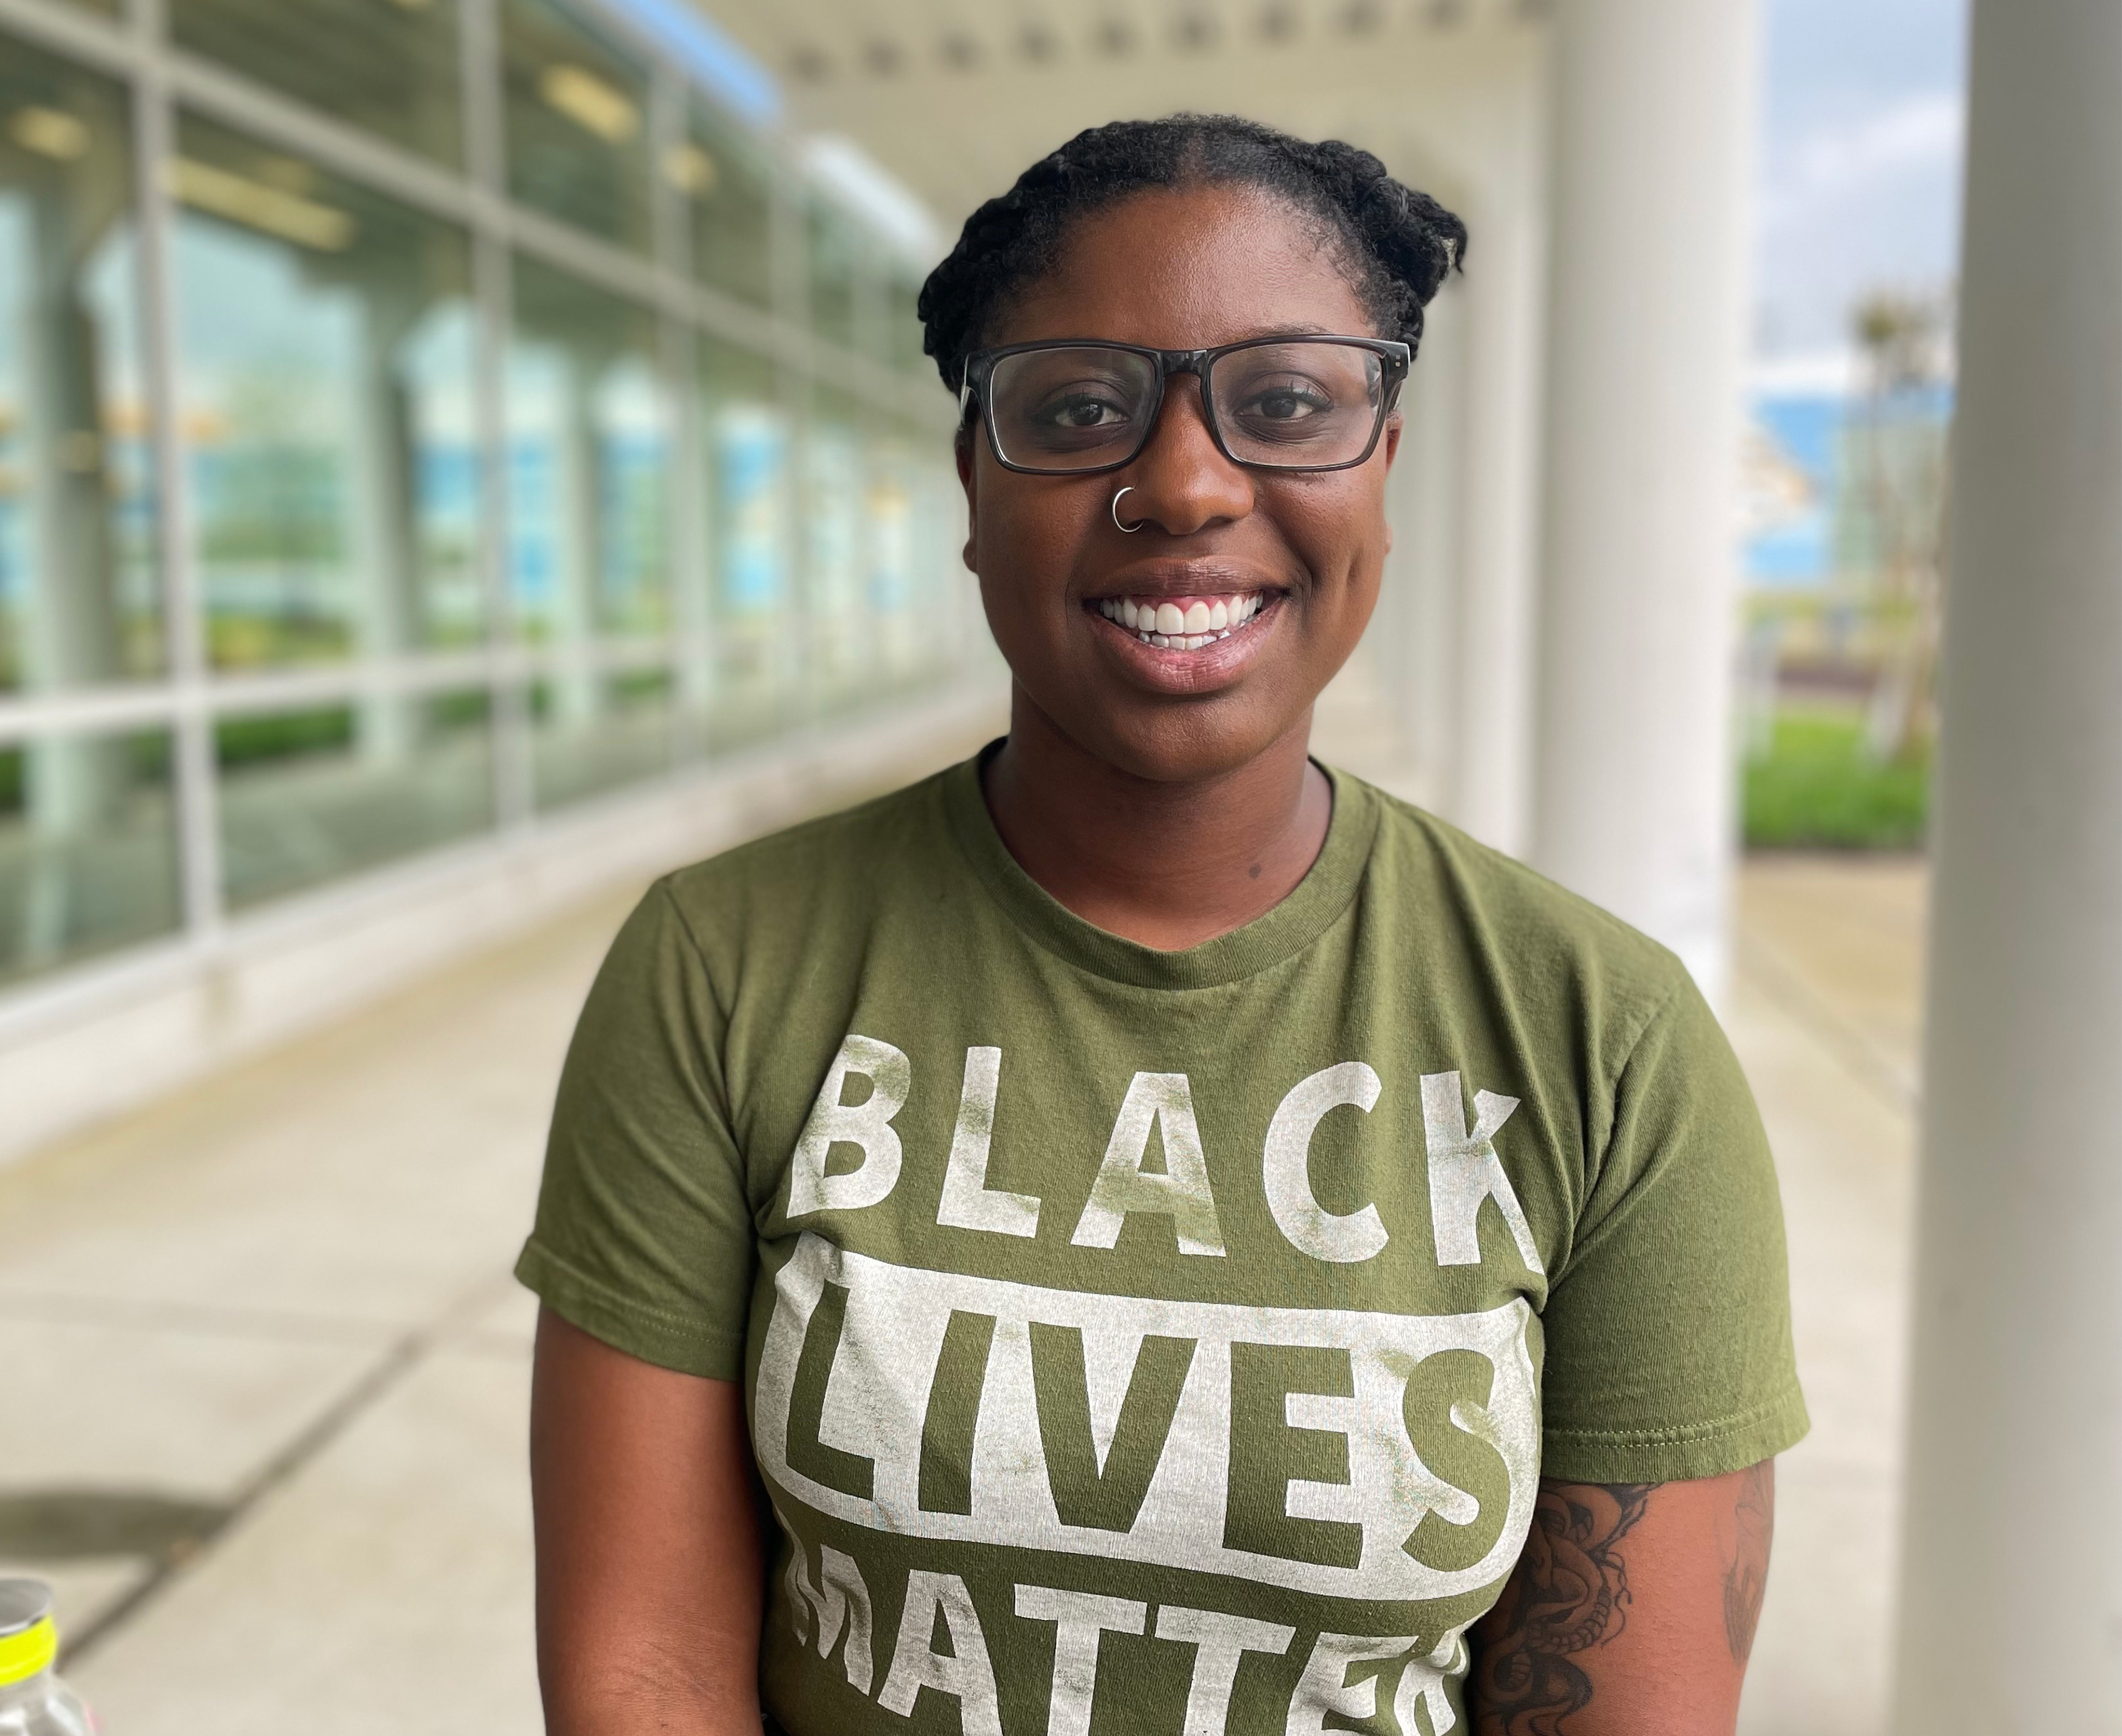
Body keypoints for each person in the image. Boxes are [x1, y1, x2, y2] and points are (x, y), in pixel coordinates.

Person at [516, 114, 1805, 1736]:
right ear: (974, 485)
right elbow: (650, 1670)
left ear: (1382, 468)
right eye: (1075, 409)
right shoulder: (726, 965)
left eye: (1284, 403)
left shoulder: (1604, 1040)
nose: (1187, 481)